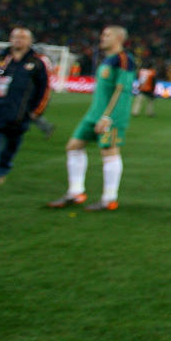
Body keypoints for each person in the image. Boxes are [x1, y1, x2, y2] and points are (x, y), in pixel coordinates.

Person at [47, 25, 137, 211]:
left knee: (109, 151)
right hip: (93, 115)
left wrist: (108, 117)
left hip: (111, 117)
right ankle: (75, 192)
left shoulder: (124, 59)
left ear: (119, 38)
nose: (102, 38)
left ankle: (109, 198)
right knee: (73, 146)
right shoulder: (108, 59)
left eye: (106, 35)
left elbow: (121, 90)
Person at [0, 27, 51, 185]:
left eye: (22, 37)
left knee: (11, 146)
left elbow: (44, 89)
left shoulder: (37, 62)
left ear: (30, 41)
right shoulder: (1, 58)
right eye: (15, 37)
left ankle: (3, 169)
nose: (18, 40)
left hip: (20, 114)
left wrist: (37, 111)